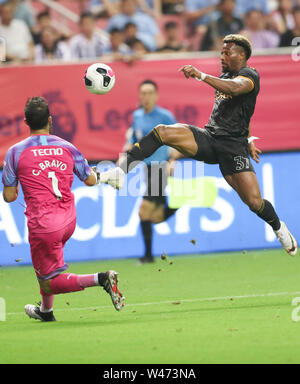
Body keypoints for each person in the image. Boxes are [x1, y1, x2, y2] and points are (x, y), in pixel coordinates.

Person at [99, 34, 298, 257]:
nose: (222, 55)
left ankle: (279, 227)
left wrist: (201, 75)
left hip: (233, 149)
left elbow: (234, 89)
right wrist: (250, 138)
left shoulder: (249, 75)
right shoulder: (226, 75)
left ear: (242, 55)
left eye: (227, 52)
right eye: (221, 51)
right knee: (162, 132)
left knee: (253, 202)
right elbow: (244, 113)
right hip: (210, 138)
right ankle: (120, 171)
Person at [2, 97, 124, 322]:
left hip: (44, 224)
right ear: (50, 120)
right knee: (46, 268)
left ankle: (101, 278)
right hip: (68, 219)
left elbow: (10, 196)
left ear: (26, 122)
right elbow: (89, 179)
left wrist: (21, 182)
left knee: (49, 280)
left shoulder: (15, 152)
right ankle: (46, 312)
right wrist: (105, 176)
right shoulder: (67, 146)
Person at [122, 80, 178, 264]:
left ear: (156, 95)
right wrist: (124, 155)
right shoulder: (137, 116)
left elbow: (180, 139)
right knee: (154, 217)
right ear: (139, 96)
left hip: (160, 167)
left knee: (143, 212)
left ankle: (147, 256)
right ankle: (183, 202)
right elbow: (134, 140)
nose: (146, 97)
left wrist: (172, 160)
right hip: (147, 168)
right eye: (143, 93)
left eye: (150, 93)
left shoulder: (165, 116)